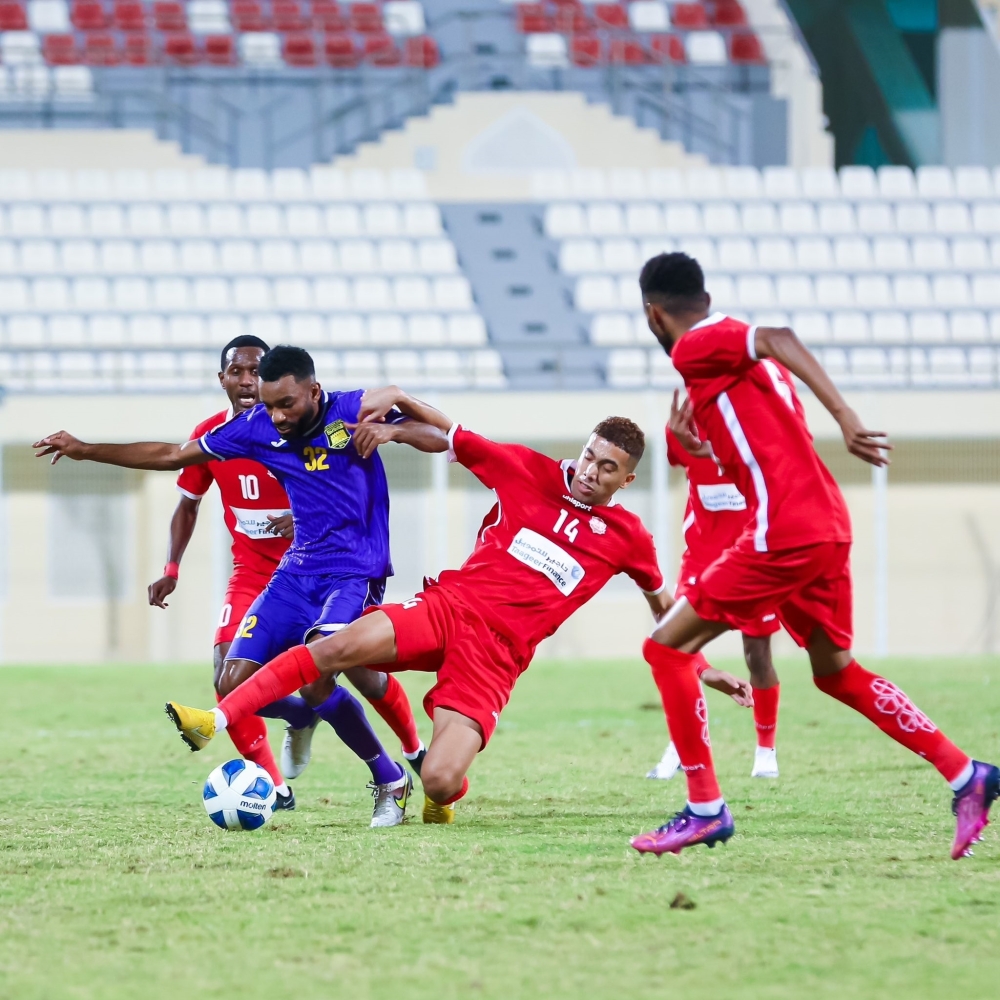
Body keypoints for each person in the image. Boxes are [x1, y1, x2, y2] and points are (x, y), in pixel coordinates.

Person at [158, 393, 753, 824]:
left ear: (625, 481)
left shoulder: (629, 538)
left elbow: (665, 609)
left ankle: (435, 783)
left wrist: (704, 667)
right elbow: (451, 431)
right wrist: (395, 413)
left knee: (440, 783)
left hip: (494, 659)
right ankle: (217, 717)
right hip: (448, 607)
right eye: (589, 457)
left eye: (607, 468)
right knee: (331, 648)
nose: (590, 472)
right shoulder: (529, 470)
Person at [630, 252, 998, 861]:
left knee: (665, 647)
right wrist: (706, 447)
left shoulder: (696, 347)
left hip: (784, 533)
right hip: (825, 526)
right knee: (835, 673)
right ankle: (967, 776)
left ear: (654, 313)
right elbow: (766, 444)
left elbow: (778, 337)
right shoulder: (743, 374)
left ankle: (704, 809)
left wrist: (848, 418)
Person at [34, 346, 440, 827]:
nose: (276, 416)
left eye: (285, 404)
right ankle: (313, 724)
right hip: (295, 573)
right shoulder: (256, 428)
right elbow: (170, 455)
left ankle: (390, 776)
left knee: (321, 668)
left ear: (313, 391)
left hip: (354, 573)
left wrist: (395, 425)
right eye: (269, 405)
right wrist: (85, 450)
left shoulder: (352, 409)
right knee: (231, 680)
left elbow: (440, 436)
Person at [647, 397, 783, 782]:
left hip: (752, 561)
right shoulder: (686, 428)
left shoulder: (755, 431)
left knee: (757, 655)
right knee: (672, 645)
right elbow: (679, 452)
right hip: (702, 561)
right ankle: (681, 745)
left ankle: (765, 751)